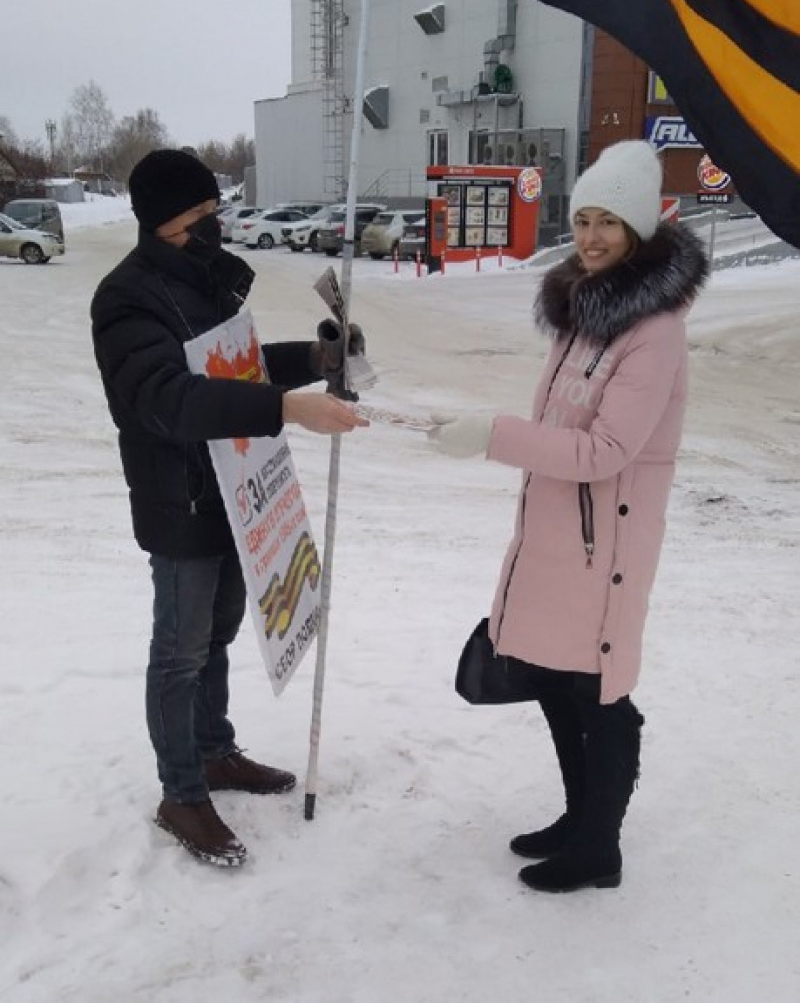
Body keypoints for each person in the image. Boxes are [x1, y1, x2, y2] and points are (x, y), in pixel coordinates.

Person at [429, 140, 708, 893]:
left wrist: (492, 435)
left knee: (600, 691)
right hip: (556, 537)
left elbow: (606, 449)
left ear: (641, 228)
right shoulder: (585, 312)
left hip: (606, 543)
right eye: (583, 219)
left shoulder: (654, 330)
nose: (590, 237)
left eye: (608, 222)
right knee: (554, 678)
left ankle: (599, 850)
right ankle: (580, 817)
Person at [91, 148, 368, 868]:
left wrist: (314, 358)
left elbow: (231, 366)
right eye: (198, 216)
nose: (214, 226)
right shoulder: (126, 298)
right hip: (179, 496)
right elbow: (167, 398)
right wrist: (286, 408)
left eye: (216, 211)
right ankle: (181, 791)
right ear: (160, 220)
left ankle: (214, 752)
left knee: (215, 638)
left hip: (236, 489)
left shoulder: (204, 280)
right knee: (179, 655)